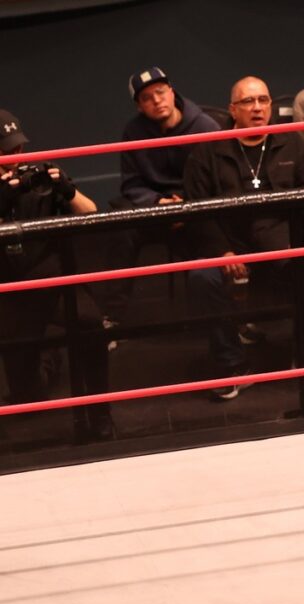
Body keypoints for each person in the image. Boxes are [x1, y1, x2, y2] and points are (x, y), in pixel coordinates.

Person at [183, 76, 304, 399]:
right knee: (203, 278)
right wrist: (223, 252)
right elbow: (197, 211)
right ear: (233, 110)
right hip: (231, 248)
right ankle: (232, 365)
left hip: (284, 244)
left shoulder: (294, 144)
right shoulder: (207, 153)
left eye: (263, 100)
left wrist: (295, 242)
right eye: (248, 102)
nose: (257, 108)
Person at [0, 109, 113, 439]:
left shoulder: (39, 174)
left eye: (18, 148)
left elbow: (90, 212)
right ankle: (49, 361)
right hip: (7, 287)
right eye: (6, 151)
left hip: (48, 278)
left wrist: (68, 191)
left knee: (91, 325)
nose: (15, 157)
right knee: (27, 394)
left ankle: (101, 411)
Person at [103, 67, 221, 326]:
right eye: (147, 98)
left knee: (211, 232)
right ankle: (112, 317)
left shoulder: (204, 126)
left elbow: (217, 178)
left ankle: (216, 319)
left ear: (171, 91)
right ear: (139, 106)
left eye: (160, 92)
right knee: (120, 228)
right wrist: (159, 204)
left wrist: (186, 204)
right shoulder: (132, 132)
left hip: (194, 206)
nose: (157, 100)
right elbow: (132, 184)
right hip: (155, 209)